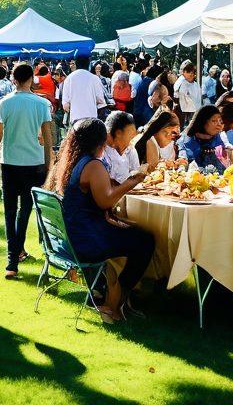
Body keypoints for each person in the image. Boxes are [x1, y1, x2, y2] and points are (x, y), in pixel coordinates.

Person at [46, 117, 154, 322]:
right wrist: (133, 181)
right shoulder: (94, 165)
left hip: (73, 237)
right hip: (87, 242)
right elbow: (105, 201)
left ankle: (114, 295)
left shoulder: (75, 162)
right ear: (100, 140)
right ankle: (115, 301)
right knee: (145, 241)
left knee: (137, 236)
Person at [0, 62, 54, 279]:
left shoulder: (5, 103)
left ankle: (12, 258)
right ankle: (15, 256)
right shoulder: (40, 104)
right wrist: (49, 165)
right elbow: (48, 138)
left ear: (14, 78)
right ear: (31, 79)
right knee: (24, 211)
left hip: (11, 163)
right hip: (33, 164)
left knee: (11, 211)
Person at [61, 54, 106, 125]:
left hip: (75, 119)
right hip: (91, 118)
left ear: (76, 64)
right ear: (88, 64)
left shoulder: (69, 78)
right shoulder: (94, 78)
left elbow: (65, 106)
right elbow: (100, 100)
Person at [102, 110, 139, 182]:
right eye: (130, 137)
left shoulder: (129, 149)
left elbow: (136, 174)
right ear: (118, 133)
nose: (131, 143)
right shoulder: (98, 152)